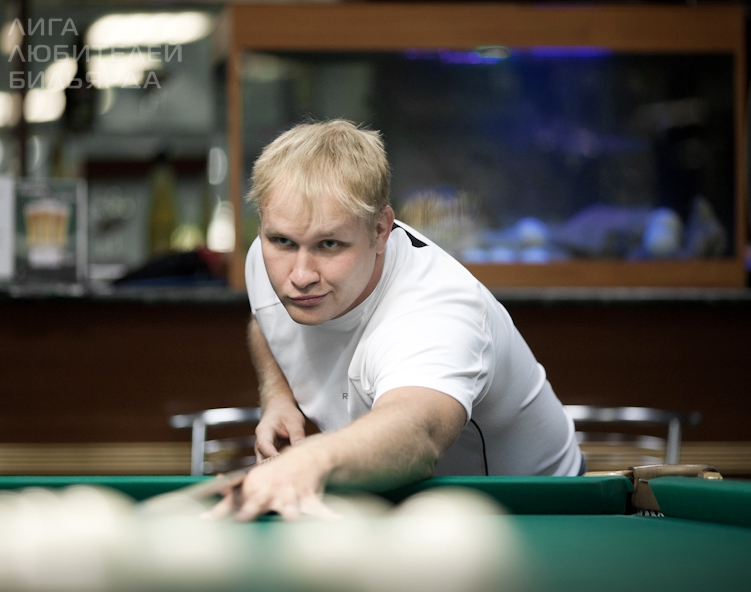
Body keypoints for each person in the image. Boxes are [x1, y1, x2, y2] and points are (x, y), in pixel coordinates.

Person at [208, 120, 583, 522]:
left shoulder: (436, 310)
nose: (299, 275)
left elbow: (416, 433)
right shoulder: (267, 258)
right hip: (406, 506)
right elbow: (267, 320)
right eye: (282, 240)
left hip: (537, 514)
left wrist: (312, 460)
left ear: (381, 229)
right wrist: (278, 398)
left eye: (329, 244)